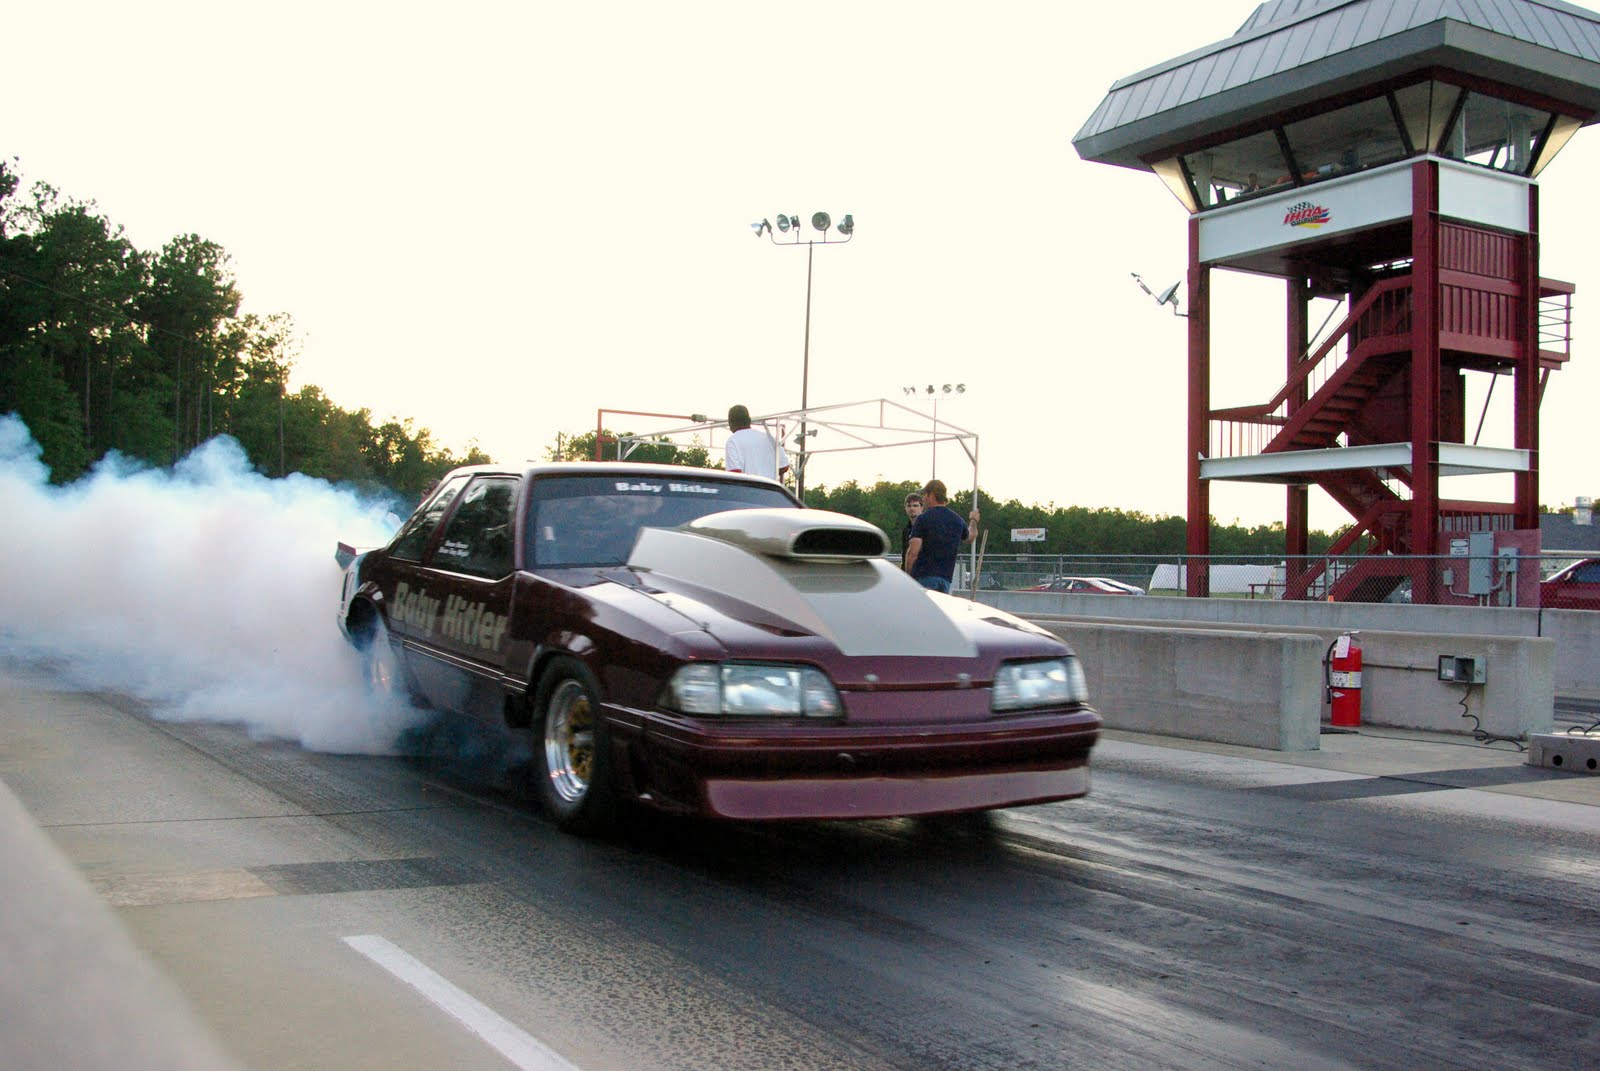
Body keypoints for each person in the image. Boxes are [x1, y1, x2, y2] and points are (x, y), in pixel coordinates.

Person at [904, 478, 979, 593]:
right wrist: (973, 520)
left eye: (924, 495)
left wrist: (908, 578)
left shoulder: (923, 519)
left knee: (922, 611)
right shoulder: (957, 520)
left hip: (923, 577)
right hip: (945, 580)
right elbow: (970, 537)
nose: (923, 499)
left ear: (931, 495)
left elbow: (912, 553)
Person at [723, 404, 789, 482]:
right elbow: (784, 466)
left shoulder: (733, 441)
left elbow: (734, 474)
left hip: (749, 490)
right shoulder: (770, 438)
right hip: (770, 491)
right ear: (749, 420)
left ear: (731, 422)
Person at [900, 492, 923, 569]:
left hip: (924, 573)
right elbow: (904, 555)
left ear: (922, 507)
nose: (912, 508)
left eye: (915, 506)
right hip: (908, 574)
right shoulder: (906, 531)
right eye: (909, 506)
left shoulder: (928, 528)